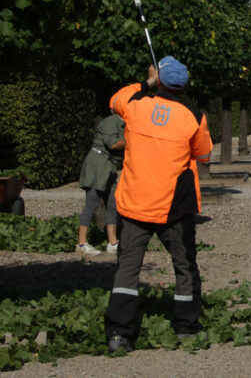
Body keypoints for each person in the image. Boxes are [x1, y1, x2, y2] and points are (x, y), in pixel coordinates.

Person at [104, 56, 213, 353]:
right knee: (184, 267)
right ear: (184, 85)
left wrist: (147, 82)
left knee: (127, 269)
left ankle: (118, 334)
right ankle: (185, 329)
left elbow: (116, 100)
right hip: (174, 207)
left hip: (135, 203)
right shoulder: (193, 116)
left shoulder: (136, 105)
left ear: (160, 80)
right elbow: (203, 155)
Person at [76, 111, 125, 255]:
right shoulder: (111, 121)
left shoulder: (122, 124)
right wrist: (131, 142)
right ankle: (81, 244)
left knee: (112, 203)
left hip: (109, 166)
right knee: (92, 202)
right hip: (98, 164)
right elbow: (113, 143)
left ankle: (112, 242)